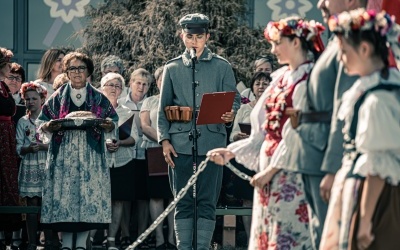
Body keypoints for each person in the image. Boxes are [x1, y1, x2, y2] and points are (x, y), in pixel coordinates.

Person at [208, 16, 325, 249]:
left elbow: (298, 132)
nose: (272, 49)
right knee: (267, 232)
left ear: (295, 43)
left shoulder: (310, 80)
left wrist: (272, 170)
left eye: (277, 42)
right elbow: (262, 130)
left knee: (289, 233)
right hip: (269, 167)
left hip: (293, 168)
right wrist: (231, 151)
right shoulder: (279, 78)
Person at [287, 1, 368, 249]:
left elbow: (344, 110)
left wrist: (333, 167)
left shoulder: (353, 40)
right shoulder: (337, 39)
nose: (320, 3)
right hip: (314, 153)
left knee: (331, 237)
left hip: (326, 157)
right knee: (320, 233)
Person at [157, 13, 240, 250]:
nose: (194, 41)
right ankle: (184, 247)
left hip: (212, 140)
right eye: (189, 36)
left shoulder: (222, 66)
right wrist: (164, 140)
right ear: (182, 36)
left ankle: (202, 246)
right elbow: (162, 108)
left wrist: (230, 113)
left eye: (199, 36)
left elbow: (233, 100)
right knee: (182, 199)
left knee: (207, 200)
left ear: (207, 37)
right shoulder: (171, 67)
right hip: (180, 141)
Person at [320, 9, 400, 250]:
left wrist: (365, 220)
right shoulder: (373, 90)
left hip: (375, 198)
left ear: (364, 49)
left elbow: (377, 164)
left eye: (344, 52)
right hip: (361, 189)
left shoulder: (378, 100)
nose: (341, 58)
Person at [36, 51, 118, 250]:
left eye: (81, 68)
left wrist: (108, 129)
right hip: (64, 158)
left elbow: (113, 121)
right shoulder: (57, 97)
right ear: (66, 72)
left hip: (91, 157)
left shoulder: (99, 97)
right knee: (66, 200)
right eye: (72, 68)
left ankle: (81, 244)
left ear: (88, 71)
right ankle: (66, 244)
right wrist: (50, 127)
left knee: (86, 200)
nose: (77, 72)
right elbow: (41, 122)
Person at [228, 71, 271, 245]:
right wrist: (237, 137)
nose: (261, 86)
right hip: (246, 160)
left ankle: (266, 240)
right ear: (252, 88)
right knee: (247, 199)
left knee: (267, 197)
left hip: (267, 159)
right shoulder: (245, 109)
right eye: (258, 83)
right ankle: (249, 239)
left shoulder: (275, 105)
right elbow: (231, 136)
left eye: (265, 83)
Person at [99, 72, 139, 250]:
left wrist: (120, 142)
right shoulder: (95, 111)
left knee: (119, 201)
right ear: (102, 87)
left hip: (123, 162)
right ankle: (93, 238)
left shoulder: (127, 112)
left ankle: (112, 240)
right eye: (110, 84)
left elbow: (134, 138)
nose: (114, 88)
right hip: (101, 162)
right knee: (100, 200)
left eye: (118, 86)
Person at [140, 66, 175, 249]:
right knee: (156, 196)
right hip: (155, 150)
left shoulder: (178, 100)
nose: (164, 82)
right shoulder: (150, 102)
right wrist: (164, 141)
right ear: (157, 82)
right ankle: (160, 238)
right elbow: (145, 126)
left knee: (172, 195)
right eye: (161, 79)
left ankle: (172, 238)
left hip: (176, 153)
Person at [119, 68, 152, 249]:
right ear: (130, 83)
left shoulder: (152, 103)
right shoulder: (122, 103)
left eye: (145, 84)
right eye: (138, 83)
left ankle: (142, 235)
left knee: (143, 198)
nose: (141, 87)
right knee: (124, 197)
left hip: (145, 154)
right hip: (127, 154)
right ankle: (124, 234)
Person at [16, 82, 49, 250]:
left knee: (47, 203)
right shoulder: (23, 121)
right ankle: (32, 242)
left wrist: (43, 146)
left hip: (45, 164)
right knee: (32, 204)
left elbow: (55, 144)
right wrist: (28, 149)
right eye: (27, 99)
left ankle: (49, 240)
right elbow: (18, 146)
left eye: (34, 98)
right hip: (29, 164)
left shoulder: (48, 120)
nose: (31, 102)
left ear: (42, 99)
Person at [3, 62, 26, 127]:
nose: (14, 81)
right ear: (3, 79)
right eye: (11, 77)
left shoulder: (27, 99)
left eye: (18, 78)